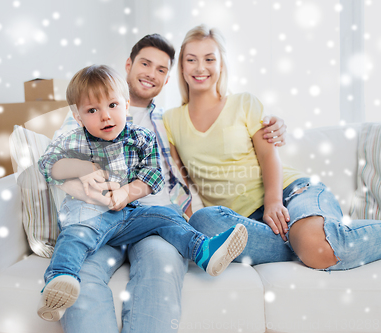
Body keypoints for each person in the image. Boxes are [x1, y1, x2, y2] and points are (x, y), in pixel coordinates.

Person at [52, 34, 288, 333]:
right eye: (145, 63)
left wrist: (274, 124)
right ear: (129, 65)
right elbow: (56, 167)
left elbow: (219, 141)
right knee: (79, 272)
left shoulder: (170, 122)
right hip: (100, 218)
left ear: (167, 81)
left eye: (161, 69)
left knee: (160, 267)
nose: (151, 73)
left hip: (156, 222)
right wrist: (85, 182)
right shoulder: (87, 111)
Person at [37, 64, 249, 322]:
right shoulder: (74, 139)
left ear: (126, 105)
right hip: (88, 214)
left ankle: (203, 250)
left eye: (112, 105)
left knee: (166, 216)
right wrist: (82, 167)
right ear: (78, 116)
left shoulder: (141, 137)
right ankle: (60, 280)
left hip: (126, 213)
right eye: (93, 110)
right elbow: (48, 165)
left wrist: (126, 193)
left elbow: (152, 175)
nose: (105, 116)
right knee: (74, 235)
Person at [163, 24, 381, 271]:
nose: (200, 67)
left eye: (209, 59)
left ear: (221, 64)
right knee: (203, 221)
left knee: (317, 248)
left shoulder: (244, 102)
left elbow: (268, 155)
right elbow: (179, 182)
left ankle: (309, 241)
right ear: (181, 66)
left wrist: (273, 202)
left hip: (292, 193)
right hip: (246, 224)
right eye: (191, 59)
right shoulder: (170, 120)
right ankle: (303, 243)